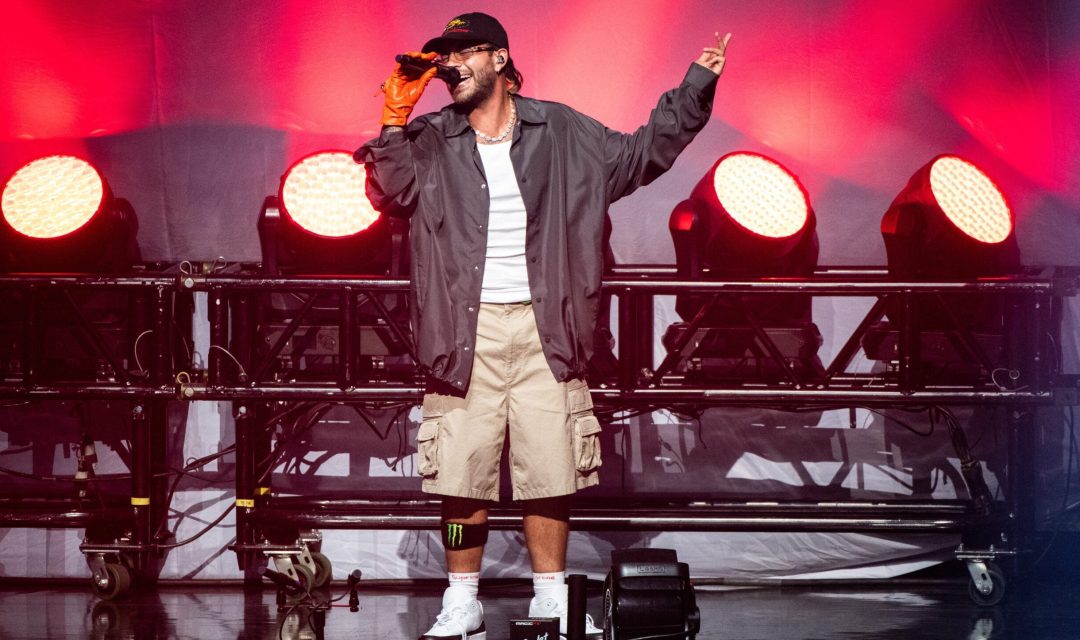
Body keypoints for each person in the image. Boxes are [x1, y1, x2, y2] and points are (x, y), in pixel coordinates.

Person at [355, 12, 730, 640]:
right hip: (460, 334)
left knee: (548, 471)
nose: (449, 65)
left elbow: (643, 153)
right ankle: (462, 598)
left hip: (545, 329)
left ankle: (551, 598)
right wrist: (393, 121)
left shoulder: (563, 131)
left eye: (462, 53)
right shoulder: (429, 139)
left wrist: (694, 87)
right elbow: (389, 192)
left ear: (499, 59)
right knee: (459, 476)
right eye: (443, 56)